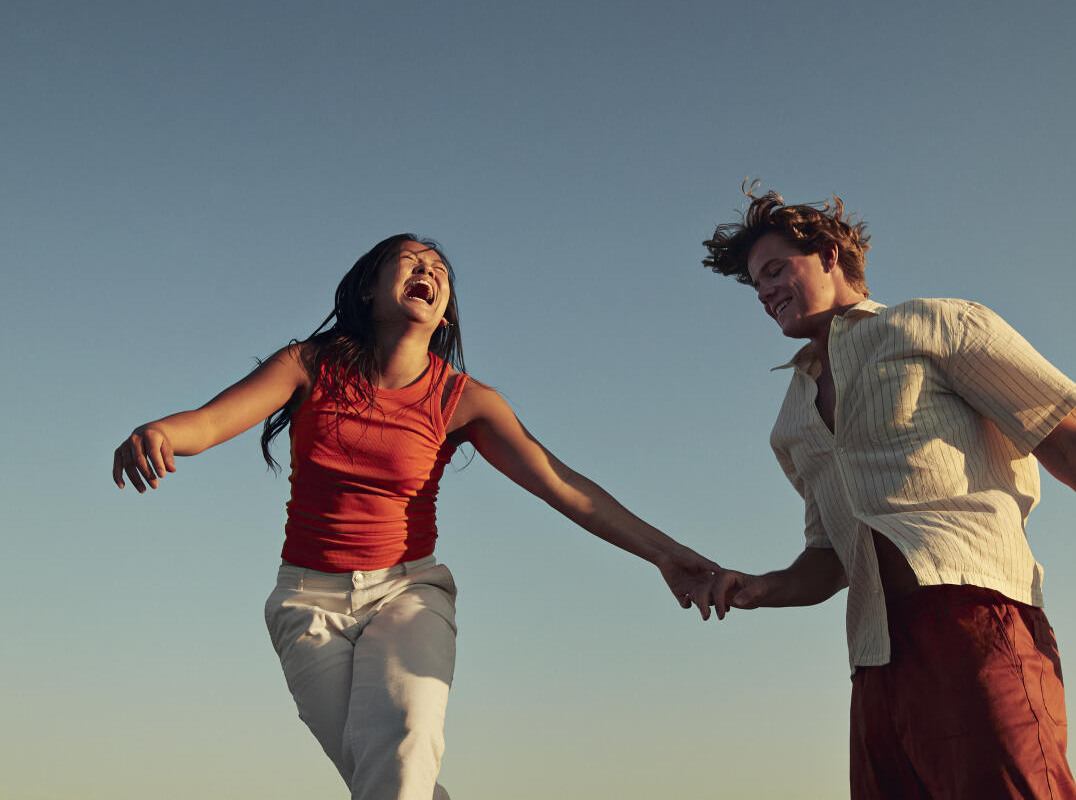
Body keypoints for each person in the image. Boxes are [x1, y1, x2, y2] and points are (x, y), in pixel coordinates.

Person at [692, 187, 1076, 800]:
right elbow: (831, 556)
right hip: (873, 664)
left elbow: (1066, 444)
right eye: (756, 285)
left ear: (831, 256)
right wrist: (762, 587)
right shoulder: (789, 422)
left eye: (775, 269)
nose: (764, 292)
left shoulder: (934, 325)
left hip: (975, 623)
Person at [112, 233, 718, 800]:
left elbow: (563, 485)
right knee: (391, 780)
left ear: (445, 312)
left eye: (440, 270)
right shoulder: (308, 365)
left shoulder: (464, 400)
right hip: (306, 601)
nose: (428, 269)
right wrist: (160, 431)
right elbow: (212, 421)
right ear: (369, 289)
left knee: (404, 751)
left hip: (407, 591)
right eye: (410, 259)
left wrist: (664, 552)